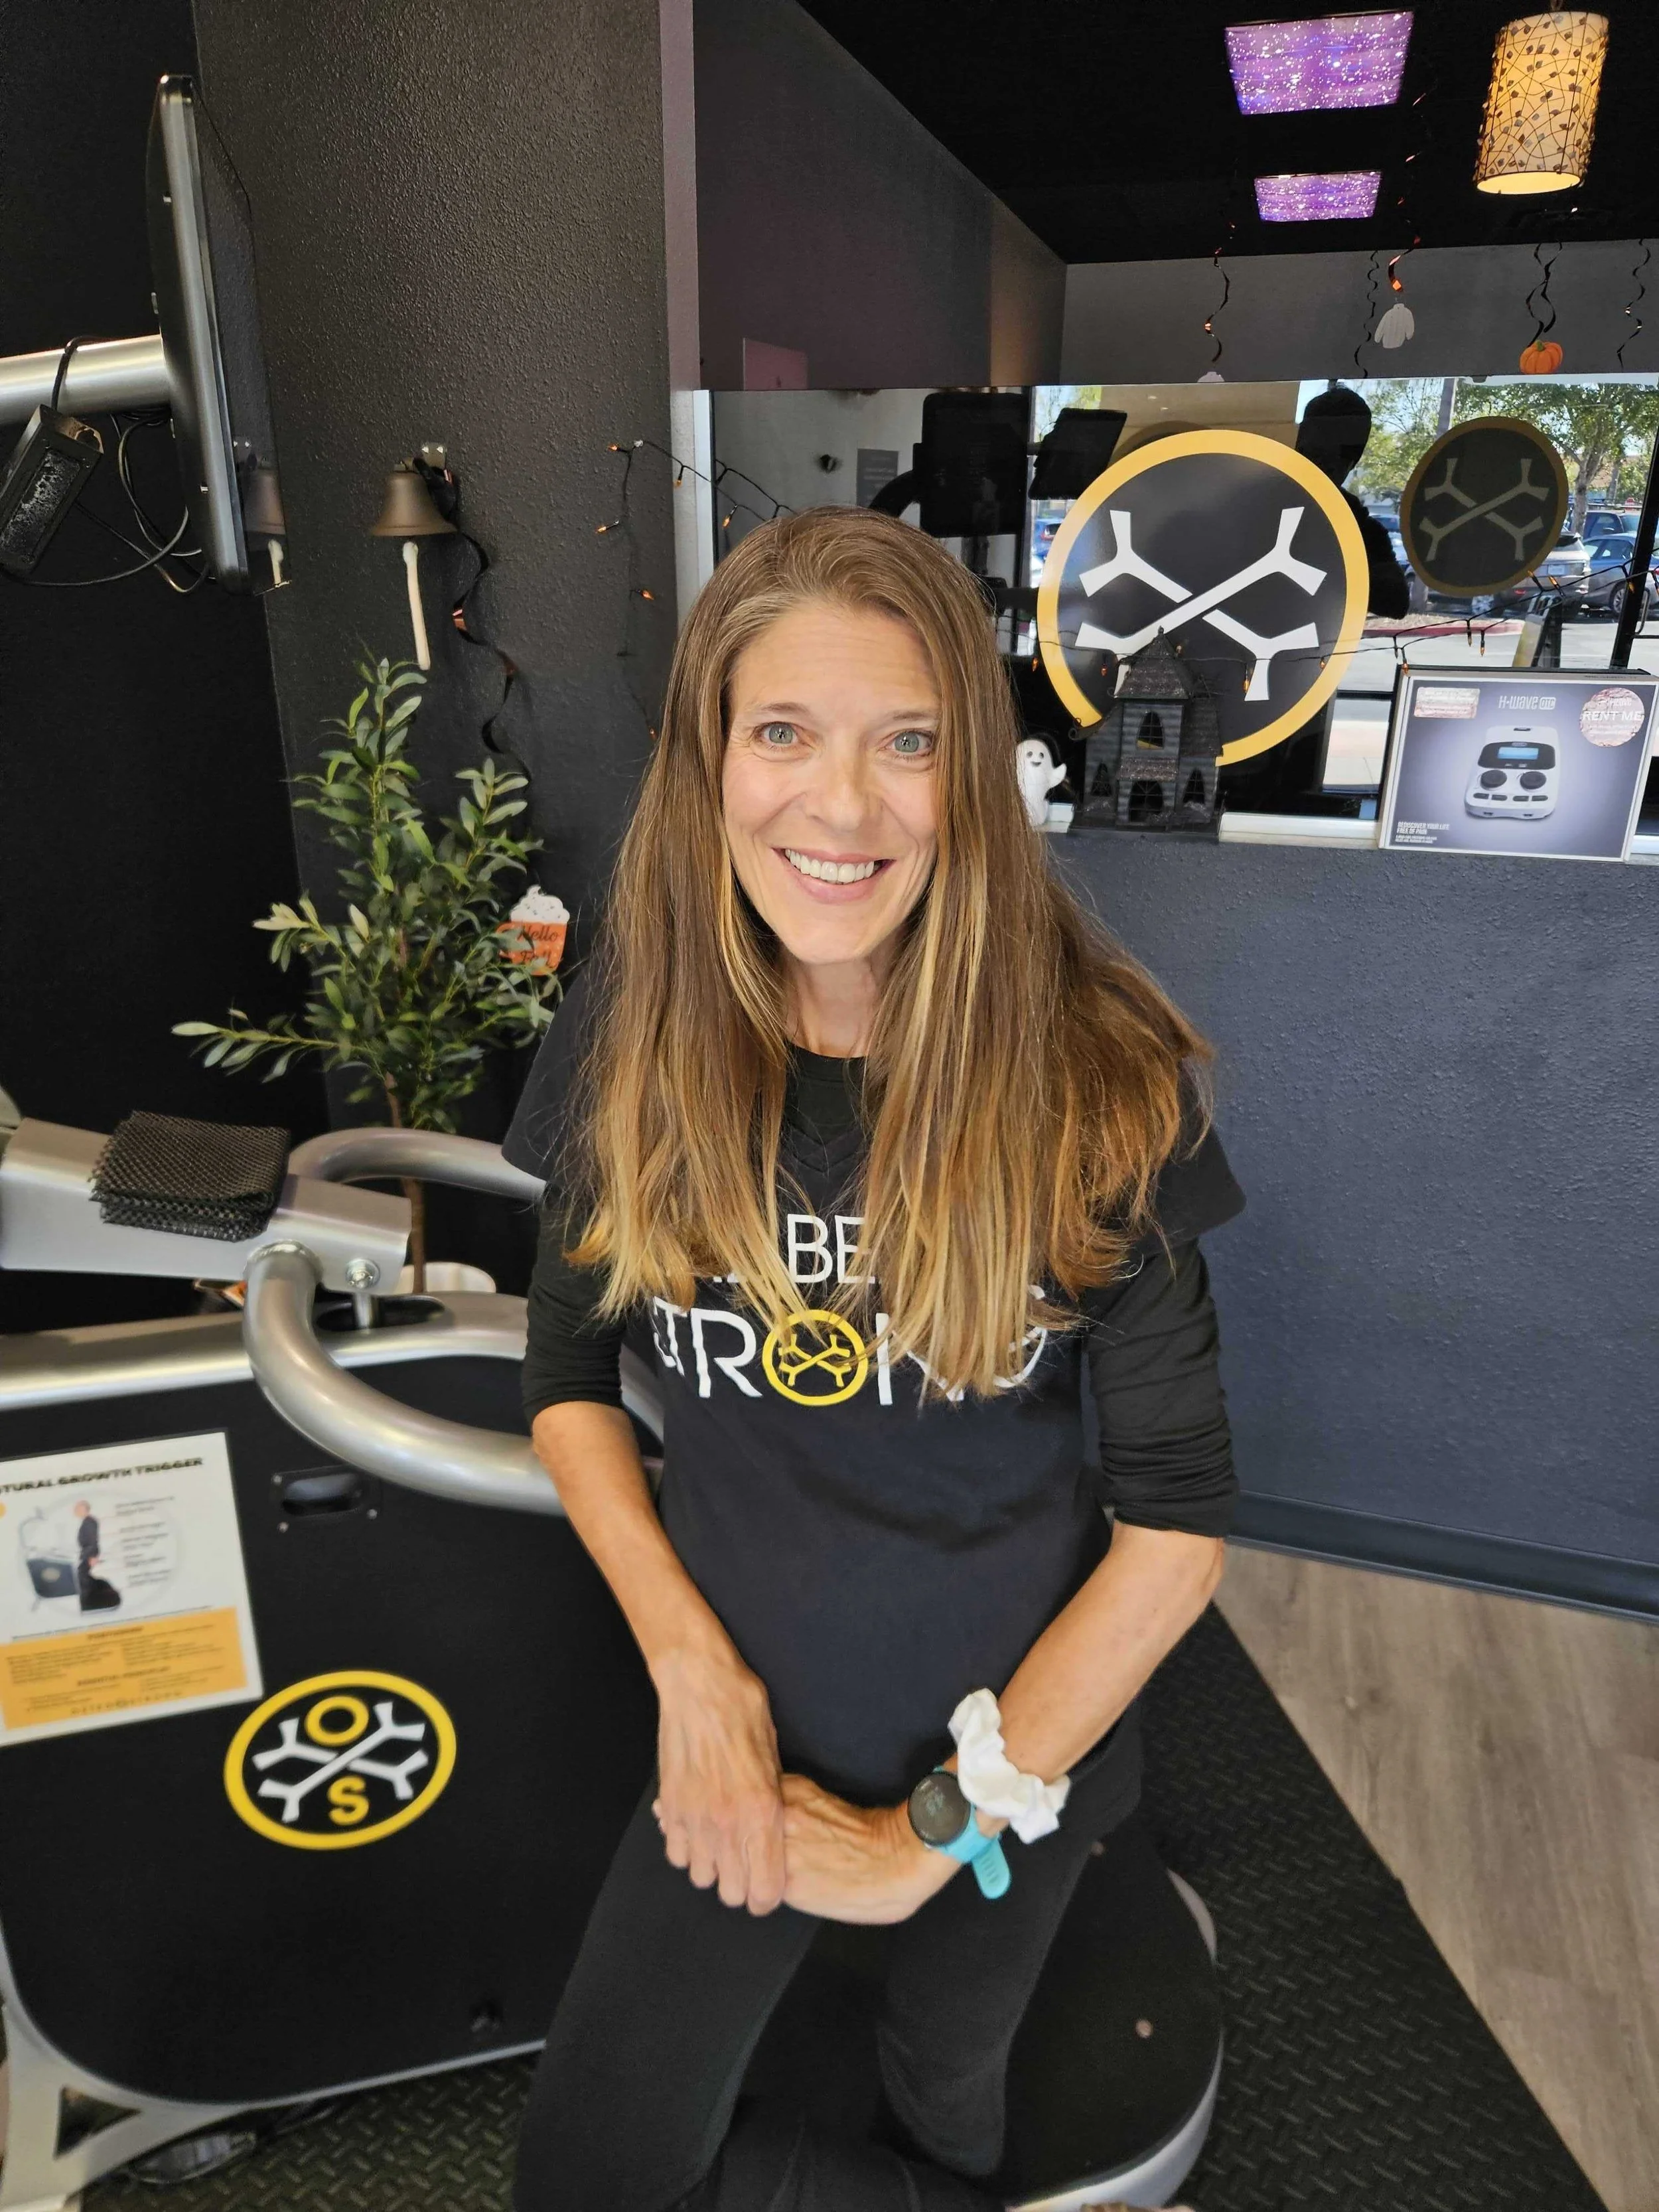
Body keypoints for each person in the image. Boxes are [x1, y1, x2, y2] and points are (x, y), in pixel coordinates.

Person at [507, 506, 1244, 2212]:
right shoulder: (634, 1028)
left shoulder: (1098, 1075)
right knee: (588, 2182)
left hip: (1016, 1756)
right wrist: (693, 1675)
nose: (839, 809)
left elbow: (1176, 1526)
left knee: (938, 2102)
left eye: (906, 744)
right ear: (711, 760)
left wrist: (932, 1834)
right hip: (743, 1738)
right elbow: (563, 1372)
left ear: (968, 782)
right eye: (783, 732)